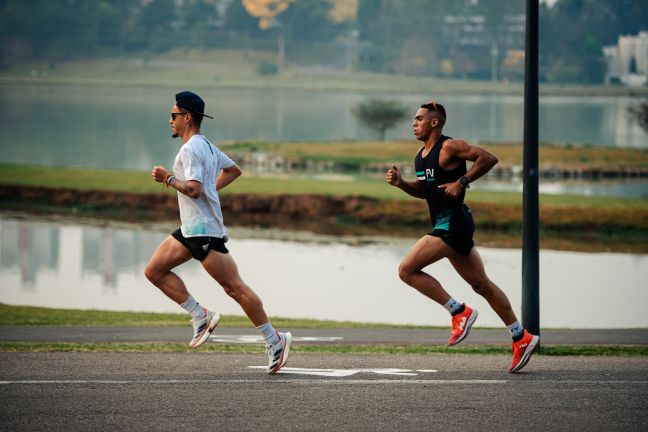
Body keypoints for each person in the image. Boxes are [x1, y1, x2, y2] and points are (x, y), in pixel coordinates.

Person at [386, 99, 539, 373]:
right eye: (414, 119)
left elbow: (489, 158)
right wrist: (401, 184)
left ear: (435, 122)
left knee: (406, 270)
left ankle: (459, 312)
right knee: (482, 286)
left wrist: (462, 181)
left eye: (419, 119)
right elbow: (425, 191)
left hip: (452, 222)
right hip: (450, 223)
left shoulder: (449, 146)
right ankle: (521, 336)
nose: (414, 123)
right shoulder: (421, 156)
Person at [144, 91, 291, 374]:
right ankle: (201, 315)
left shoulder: (191, 149)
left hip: (204, 233)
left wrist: (168, 179)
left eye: (174, 116)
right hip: (191, 229)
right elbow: (233, 171)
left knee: (234, 287)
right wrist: (209, 190)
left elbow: (195, 190)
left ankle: (276, 340)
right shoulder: (207, 145)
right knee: (154, 271)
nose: (170, 121)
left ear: (187, 117)